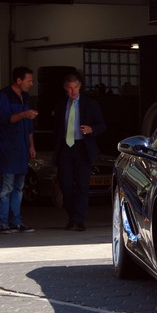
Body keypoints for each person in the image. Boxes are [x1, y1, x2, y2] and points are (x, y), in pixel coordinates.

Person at [53, 73, 106, 231]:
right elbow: (56, 130)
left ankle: (79, 219)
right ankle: (71, 216)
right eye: (70, 88)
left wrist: (92, 129)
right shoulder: (61, 106)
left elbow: (102, 125)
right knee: (66, 185)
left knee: (82, 186)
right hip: (66, 148)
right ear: (65, 88)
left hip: (83, 147)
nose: (73, 91)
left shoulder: (90, 104)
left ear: (80, 87)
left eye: (75, 87)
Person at [0, 66, 38, 234]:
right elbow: (3, 119)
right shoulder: (3, 96)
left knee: (19, 187)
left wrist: (31, 145)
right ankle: (2, 222)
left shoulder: (25, 97)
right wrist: (24, 114)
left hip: (22, 148)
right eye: (29, 80)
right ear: (18, 80)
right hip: (8, 148)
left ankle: (16, 221)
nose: (31, 84)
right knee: (7, 187)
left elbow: (29, 126)